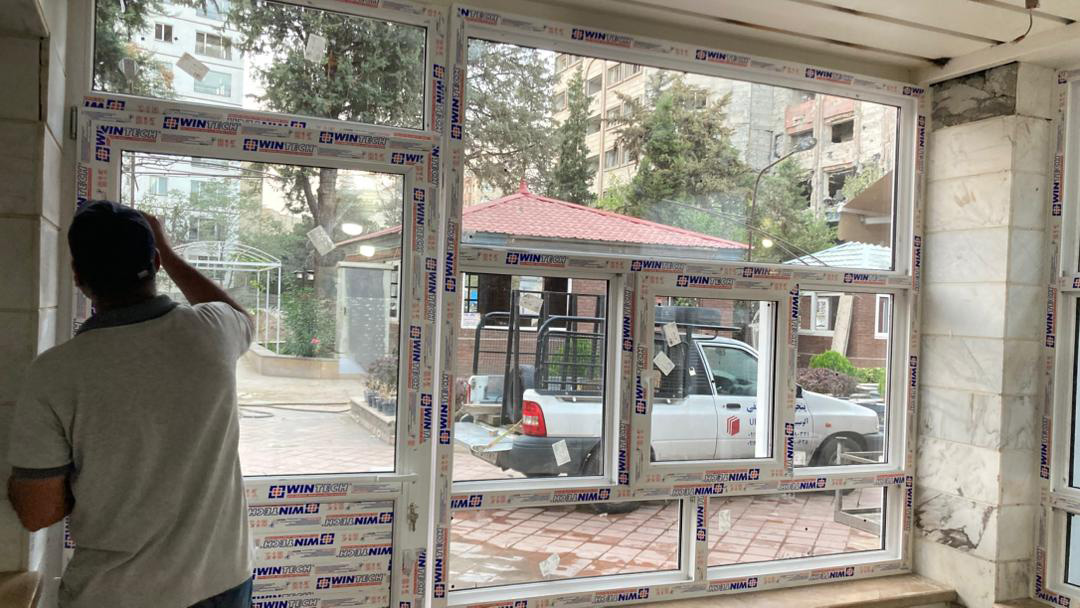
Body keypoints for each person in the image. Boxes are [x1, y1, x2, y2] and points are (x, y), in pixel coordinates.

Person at [7, 200, 255, 608]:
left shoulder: (55, 372)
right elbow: (239, 315)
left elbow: (38, 512)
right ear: (155, 262)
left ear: (77, 276)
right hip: (223, 581)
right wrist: (169, 252)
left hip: (120, 594)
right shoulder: (213, 332)